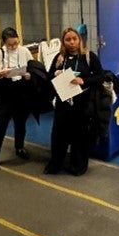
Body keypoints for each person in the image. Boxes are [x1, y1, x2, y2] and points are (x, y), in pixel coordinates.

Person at [44, 27, 104, 176]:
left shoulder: (89, 56)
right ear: (64, 42)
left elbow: (100, 76)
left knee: (80, 136)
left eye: (74, 39)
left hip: (82, 104)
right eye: (68, 40)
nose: (72, 43)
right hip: (63, 103)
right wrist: (57, 74)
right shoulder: (59, 57)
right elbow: (49, 76)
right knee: (59, 135)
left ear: (80, 40)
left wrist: (83, 80)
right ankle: (56, 164)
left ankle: (78, 166)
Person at [0, 27, 33, 172]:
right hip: (5, 91)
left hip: (21, 90)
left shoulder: (24, 51)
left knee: (21, 123)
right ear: (4, 42)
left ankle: (19, 147)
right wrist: (0, 73)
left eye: (15, 43)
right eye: (10, 44)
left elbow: (32, 66)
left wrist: (28, 75)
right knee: (0, 124)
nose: (13, 47)